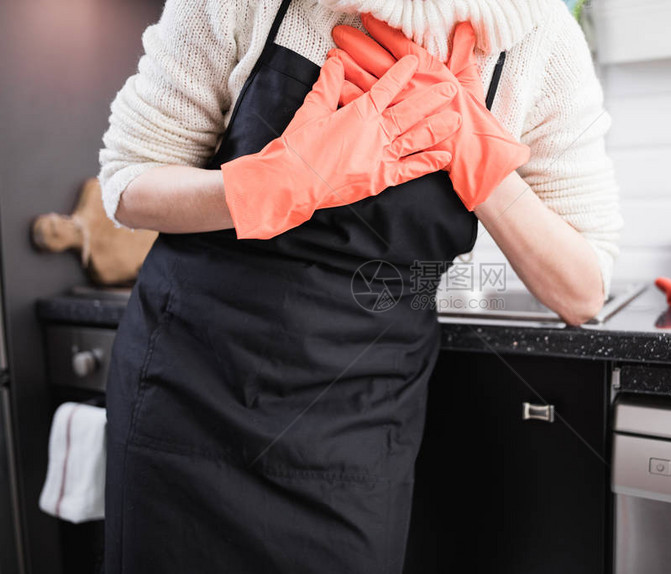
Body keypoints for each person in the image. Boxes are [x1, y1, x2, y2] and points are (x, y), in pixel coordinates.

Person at [97, 0, 622, 571]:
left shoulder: (539, 42)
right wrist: (275, 184)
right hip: (189, 395)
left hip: (358, 427)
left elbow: (581, 290)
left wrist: (478, 157)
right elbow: (129, 183)